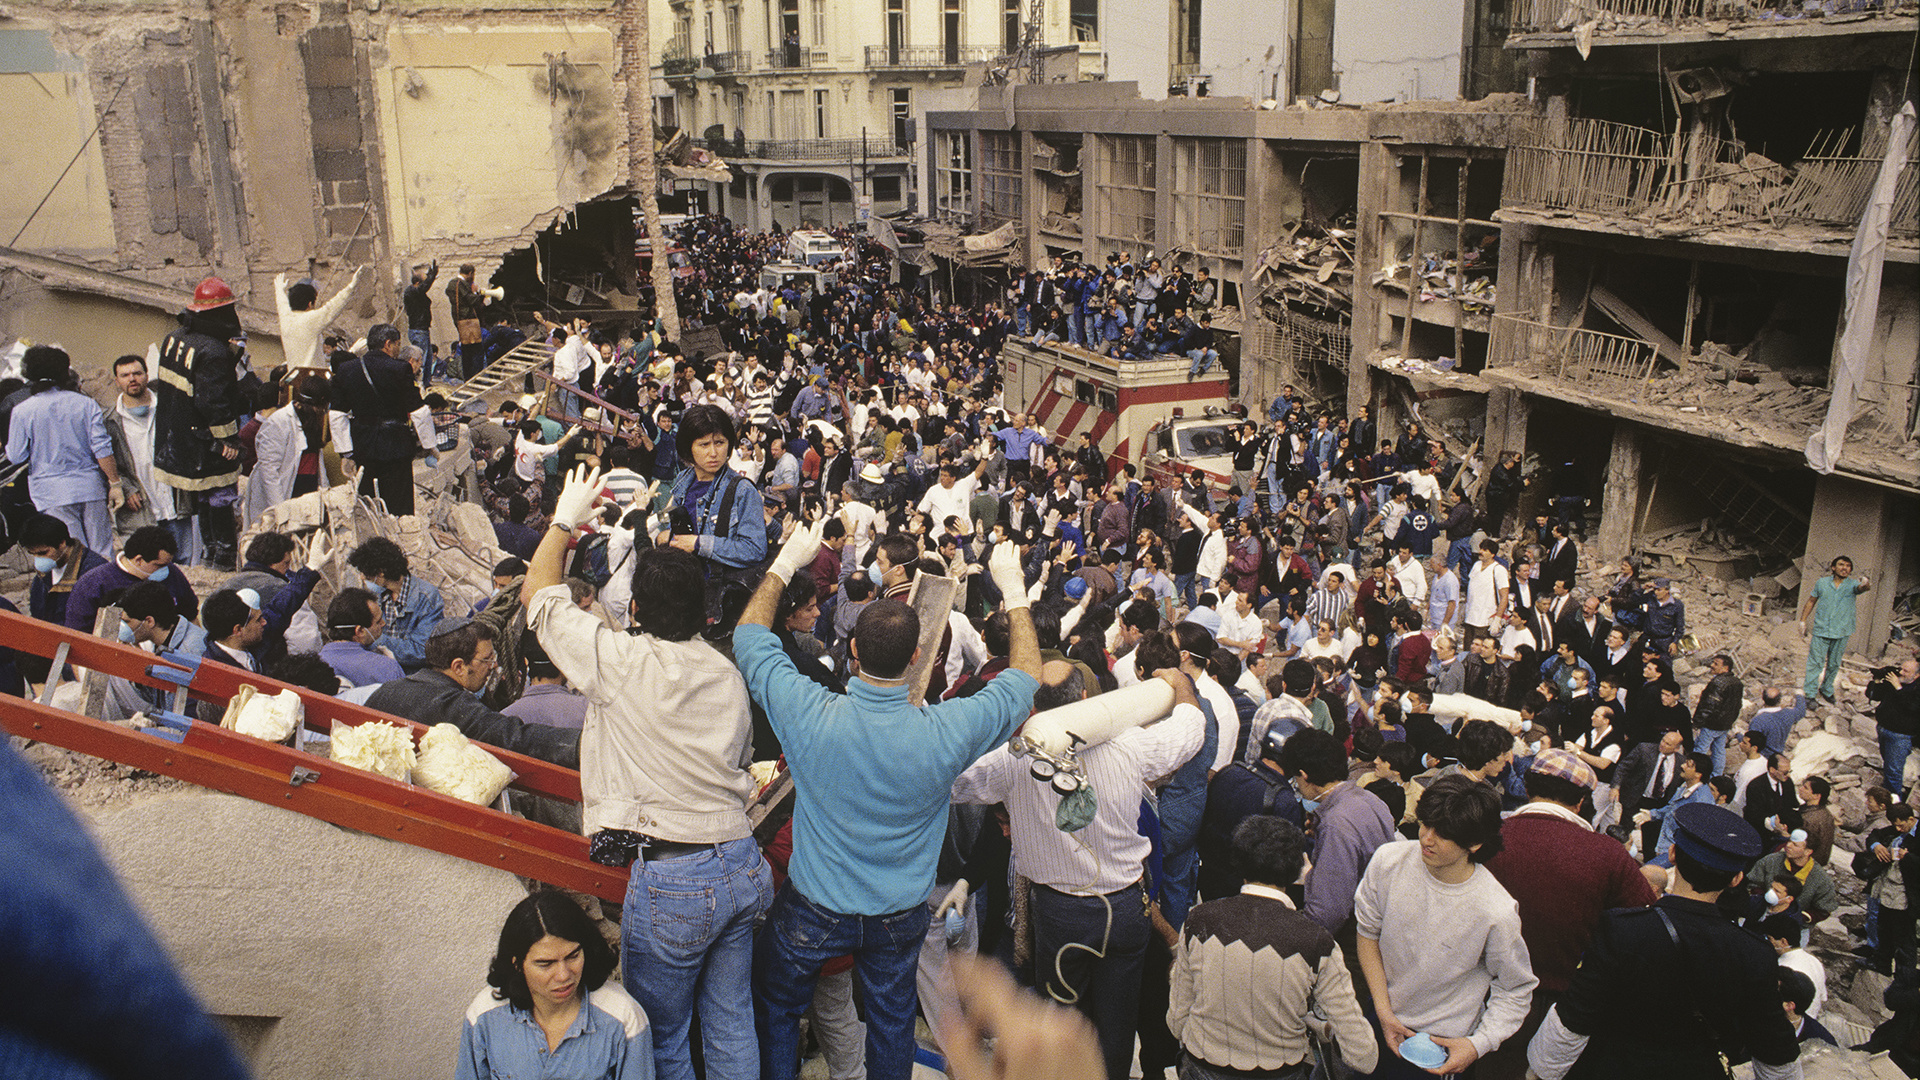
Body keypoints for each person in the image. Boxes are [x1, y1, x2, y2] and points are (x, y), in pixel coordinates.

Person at [736, 521, 1040, 1080]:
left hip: (813, 905)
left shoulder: (809, 712)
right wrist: (1014, 588)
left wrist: (785, 562)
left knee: (776, 1005)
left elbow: (750, 638)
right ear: (919, 654)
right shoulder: (946, 731)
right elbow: (1026, 677)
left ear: (851, 649)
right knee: (892, 1022)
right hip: (898, 914)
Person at [524, 466, 770, 1080]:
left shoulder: (619, 660)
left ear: (633, 608)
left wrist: (564, 519)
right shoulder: (726, 673)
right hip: (741, 862)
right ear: (704, 609)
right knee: (731, 1018)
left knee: (661, 1036)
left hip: (676, 878)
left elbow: (538, 598)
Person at [953, 658, 1205, 1079]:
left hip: (1061, 916)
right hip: (1127, 909)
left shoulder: (1014, 762)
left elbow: (951, 782)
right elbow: (1190, 730)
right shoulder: (1130, 746)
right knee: (1118, 1025)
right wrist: (1180, 685)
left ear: (1034, 712)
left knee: (1064, 1021)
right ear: (1086, 700)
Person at [1527, 802, 1801, 1080]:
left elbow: (1575, 1017)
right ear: (1736, 879)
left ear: (1672, 854)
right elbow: (1775, 1049)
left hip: (1613, 1067)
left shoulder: (1622, 929)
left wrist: (1540, 1073)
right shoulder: (1755, 953)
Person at [1480, 749, 1655, 1080]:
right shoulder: (1608, 854)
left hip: (1482, 994)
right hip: (1562, 1008)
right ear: (1581, 802)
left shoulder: (1487, 837)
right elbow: (1643, 922)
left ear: (1529, 789)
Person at [1169, 814, 1379, 1078]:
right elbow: (1362, 1055)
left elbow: (1177, 1019)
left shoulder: (1198, 920)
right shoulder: (1316, 941)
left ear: (1238, 863)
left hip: (1202, 1066)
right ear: (1296, 870)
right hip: (1280, 1071)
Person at [1355, 773, 1537, 1077]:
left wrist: (1479, 1044)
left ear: (1475, 843)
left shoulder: (1495, 910)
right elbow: (1367, 933)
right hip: (1377, 1016)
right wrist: (1383, 1011)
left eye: (1443, 833)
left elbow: (1515, 988)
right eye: (1426, 824)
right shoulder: (1389, 860)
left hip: (1439, 1046)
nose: (1427, 838)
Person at [457, 890, 654, 1080]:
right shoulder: (483, 1015)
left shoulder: (623, 1017)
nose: (563, 975)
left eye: (573, 956)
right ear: (517, 964)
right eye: (546, 963)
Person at [364, 619, 580, 768]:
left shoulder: (385, 691)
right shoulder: (451, 705)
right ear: (458, 667)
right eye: (486, 659)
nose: (493, 665)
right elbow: (513, 737)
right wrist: (581, 743)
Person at [153, 277, 252, 569]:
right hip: (206, 442)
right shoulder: (213, 351)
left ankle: (210, 553)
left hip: (178, 439)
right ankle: (222, 560)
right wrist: (228, 441)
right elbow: (214, 401)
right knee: (220, 496)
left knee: (203, 499)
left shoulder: (173, 339)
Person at [1277, 727, 1396, 939]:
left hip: (1354, 932)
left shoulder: (1335, 825)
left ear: (1304, 776)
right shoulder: (1370, 799)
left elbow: (1327, 913)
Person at [5, 345, 122, 558]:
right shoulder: (86, 404)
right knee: (102, 550)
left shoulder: (22, 411)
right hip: (90, 486)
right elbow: (102, 448)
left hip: (51, 491)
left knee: (72, 553)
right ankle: (108, 589)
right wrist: (115, 483)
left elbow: (16, 455)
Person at [659, 404, 767, 617]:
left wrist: (699, 544)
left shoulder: (742, 490)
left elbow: (755, 549)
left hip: (719, 601)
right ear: (689, 447)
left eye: (719, 443)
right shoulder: (682, 482)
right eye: (704, 444)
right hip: (683, 592)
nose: (713, 453)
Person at [334, 324, 426, 516]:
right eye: (398, 344)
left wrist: (345, 453)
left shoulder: (346, 369)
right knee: (398, 503)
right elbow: (417, 409)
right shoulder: (400, 368)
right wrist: (429, 444)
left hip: (363, 444)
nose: (399, 349)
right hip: (396, 444)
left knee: (367, 502)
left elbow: (337, 414)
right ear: (388, 344)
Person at [64, 523, 198, 635]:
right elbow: (78, 633)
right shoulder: (94, 584)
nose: (165, 570)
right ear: (139, 559)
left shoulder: (171, 573)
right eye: (159, 565)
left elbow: (191, 616)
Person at [345, 536, 444, 672]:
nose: (362, 578)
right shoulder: (379, 595)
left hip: (411, 675)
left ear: (380, 572)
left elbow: (423, 651)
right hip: (381, 668)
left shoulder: (426, 597)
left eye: (366, 574)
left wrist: (376, 639)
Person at [1801, 555, 1870, 705]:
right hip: (1822, 629)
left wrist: (1865, 583)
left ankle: (1826, 690)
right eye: (1841, 564)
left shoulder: (1852, 585)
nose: (1844, 568)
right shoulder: (1822, 583)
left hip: (1842, 630)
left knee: (1834, 663)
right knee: (1815, 663)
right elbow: (1811, 601)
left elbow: (1863, 588)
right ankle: (1810, 694)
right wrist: (1802, 621)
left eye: (1848, 565)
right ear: (1833, 567)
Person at [22, 513, 107, 632]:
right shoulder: (44, 573)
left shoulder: (95, 571)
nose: (37, 559)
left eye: (43, 553)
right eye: (33, 554)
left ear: (62, 543)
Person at [275, 267, 366, 371]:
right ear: (310, 304)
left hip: (293, 378)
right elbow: (333, 306)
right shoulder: (310, 319)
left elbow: (281, 303)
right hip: (313, 378)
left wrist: (278, 289)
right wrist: (351, 286)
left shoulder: (285, 318)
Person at [319, 586, 406, 689]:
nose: (383, 623)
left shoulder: (315, 665)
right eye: (378, 621)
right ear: (359, 631)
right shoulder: (387, 667)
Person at [1869, 657, 1920, 797]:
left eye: (1906, 671)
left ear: (1916, 675)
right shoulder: (1894, 680)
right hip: (1883, 729)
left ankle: (1893, 802)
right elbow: (1874, 695)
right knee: (1888, 766)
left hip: (1900, 736)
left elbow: (1912, 707)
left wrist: (1898, 687)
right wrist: (1878, 680)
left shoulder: (1915, 688)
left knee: (1893, 772)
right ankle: (1887, 792)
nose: (1901, 672)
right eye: (1901, 668)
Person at [1692, 654, 1743, 778]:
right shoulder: (1737, 682)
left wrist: (1697, 722)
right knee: (1719, 751)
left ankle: (1695, 775)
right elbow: (1737, 705)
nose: (1712, 666)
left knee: (1700, 751)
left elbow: (1710, 705)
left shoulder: (1718, 682)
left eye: (1716, 664)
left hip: (1711, 724)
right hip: (1725, 725)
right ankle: (1716, 776)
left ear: (1725, 667)